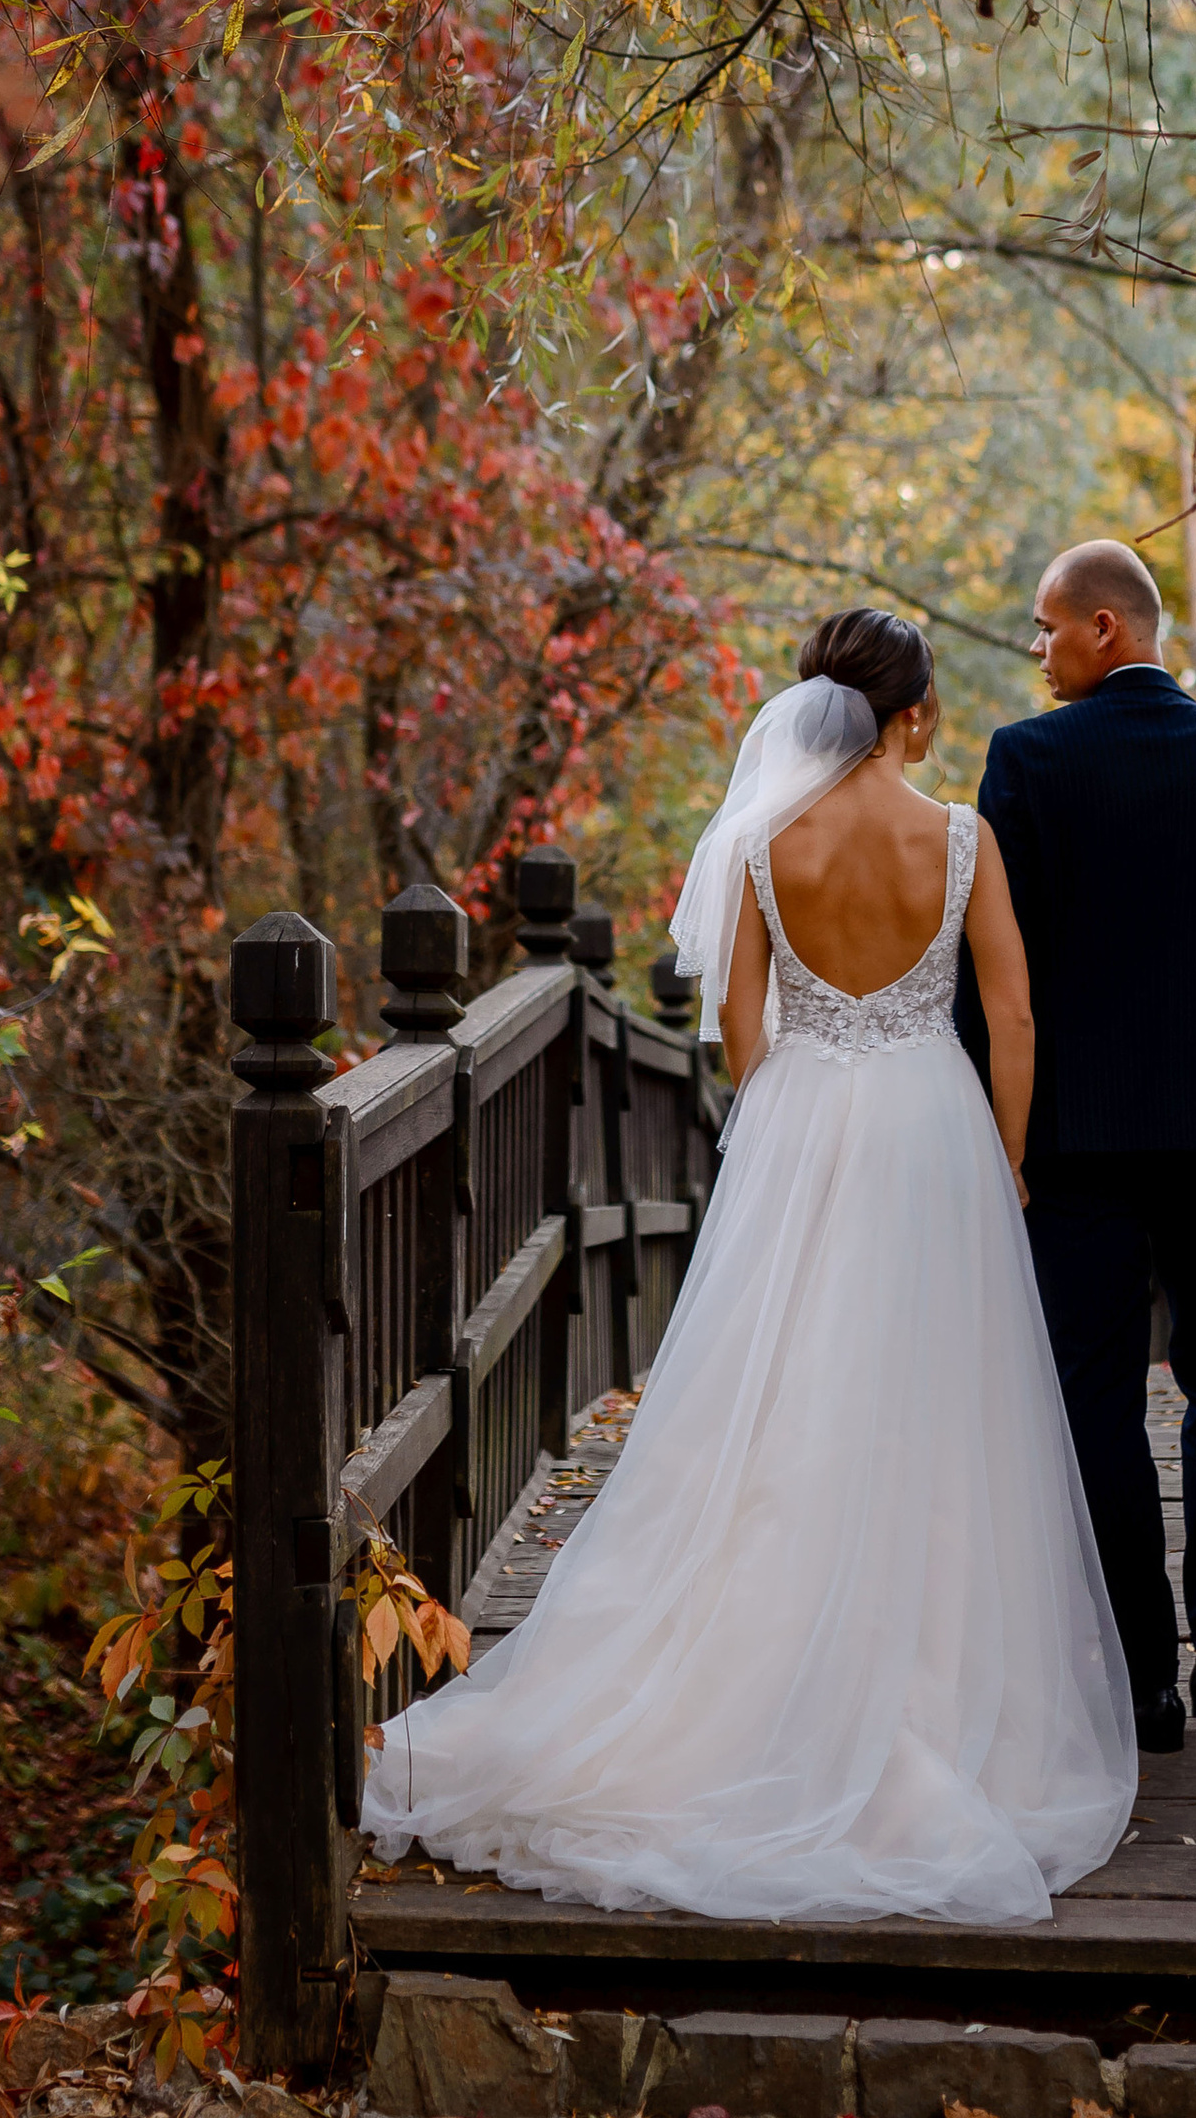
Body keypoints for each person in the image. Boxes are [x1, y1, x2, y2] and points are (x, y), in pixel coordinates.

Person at [357, 606, 1136, 1922]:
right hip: (933, 1131)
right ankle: (924, 1685)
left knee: (789, 1401)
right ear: (914, 715)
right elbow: (1008, 1010)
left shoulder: (767, 842)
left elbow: (737, 1019)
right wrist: (1005, 1156)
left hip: (807, 1124)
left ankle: (769, 1667)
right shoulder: (961, 837)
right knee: (938, 1410)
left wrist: (787, 1124)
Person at [958, 538, 1196, 1758]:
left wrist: (996, 1118)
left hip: (1074, 1136)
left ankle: (1138, 1682)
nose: (1037, 649)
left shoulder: (1025, 763)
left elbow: (993, 962)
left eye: (1047, 627)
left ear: (1107, 630)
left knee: (1094, 1401)